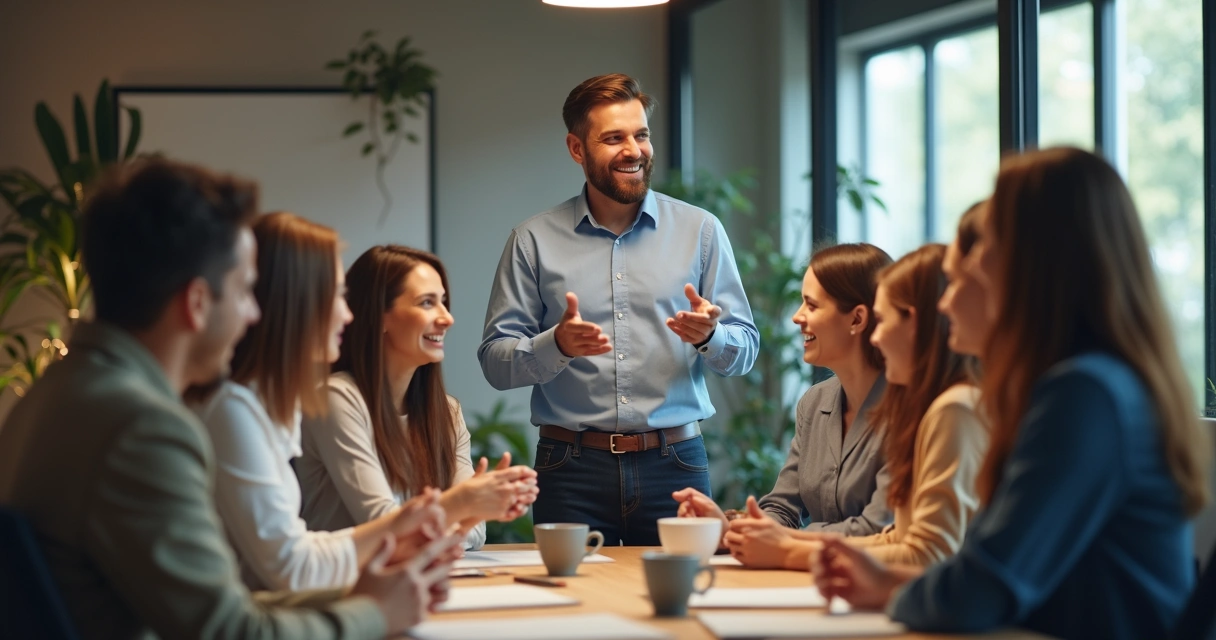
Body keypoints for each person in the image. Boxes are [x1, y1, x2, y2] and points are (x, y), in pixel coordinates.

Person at [0, 159, 461, 638]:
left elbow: (219, 605)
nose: (255, 312)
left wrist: (368, 592)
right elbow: (228, 631)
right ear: (197, 304)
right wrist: (375, 613)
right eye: (244, 291)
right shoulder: (142, 428)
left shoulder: (54, 393)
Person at [811, 148, 1213, 640]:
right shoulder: (1091, 385)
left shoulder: (1083, 395)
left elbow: (984, 588)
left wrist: (896, 590)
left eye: (986, 248)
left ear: (1034, 262)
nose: (962, 280)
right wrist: (891, 582)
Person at [478, 73, 759, 545]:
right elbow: (495, 363)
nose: (634, 150)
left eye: (641, 134)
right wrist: (556, 345)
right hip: (570, 468)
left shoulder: (701, 231)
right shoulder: (532, 240)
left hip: (676, 464)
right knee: (573, 608)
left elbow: (745, 350)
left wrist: (711, 337)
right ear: (576, 148)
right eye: (614, 138)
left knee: (680, 605)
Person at [191, 212, 460, 592]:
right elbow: (288, 568)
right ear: (293, 302)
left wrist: (405, 527)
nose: (348, 314)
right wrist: (402, 531)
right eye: (336, 295)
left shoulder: (267, 408)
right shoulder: (234, 409)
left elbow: (297, 550)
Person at [723, 244, 986, 570]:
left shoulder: (941, 409)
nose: (876, 336)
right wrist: (734, 528)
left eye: (883, 318)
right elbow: (894, 537)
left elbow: (916, 548)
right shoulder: (816, 402)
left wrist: (788, 548)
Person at [299, 245, 537, 548]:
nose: (447, 318)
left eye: (444, 302)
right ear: (378, 316)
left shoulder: (447, 412)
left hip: (418, 580)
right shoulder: (336, 399)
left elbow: (475, 533)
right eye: (427, 303)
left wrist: (467, 512)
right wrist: (464, 506)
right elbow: (383, 526)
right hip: (346, 589)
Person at [675, 243, 894, 555]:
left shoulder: (909, 409)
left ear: (857, 319)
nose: (796, 317)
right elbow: (782, 510)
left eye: (812, 305)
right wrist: (726, 528)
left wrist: (779, 541)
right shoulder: (815, 403)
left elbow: (876, 528)